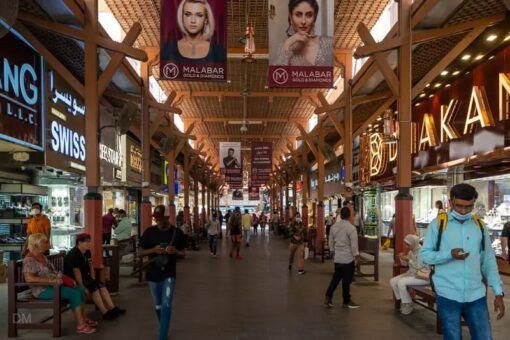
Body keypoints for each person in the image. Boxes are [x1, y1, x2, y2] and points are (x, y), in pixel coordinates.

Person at [421, 183, 505, 339]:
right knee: (453, 337)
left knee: (484, 337)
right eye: (459, 206)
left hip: (476, 295)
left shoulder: (479, 226)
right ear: (451, 201)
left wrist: (498, 293)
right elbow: (425, 255)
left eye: (469, 207)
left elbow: (488, 261)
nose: (463, 211)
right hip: (447, 294)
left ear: (473, 202)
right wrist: (448, 254)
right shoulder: (438, 225)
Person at [23, 233, 95, 334]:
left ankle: (83, 318)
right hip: (42, 290)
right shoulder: (29, 259)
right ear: (36, 244)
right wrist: (50, 280)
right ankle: (81, 325)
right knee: (74, 294)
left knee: (79, 289)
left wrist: (66, 279)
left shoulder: (43, 257)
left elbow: (53, 272)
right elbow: (29, 278)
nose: (47, 244)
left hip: (54, 286)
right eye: (44, 242)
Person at [139, 205, 186, 340]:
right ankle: (164, 326)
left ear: (167, 217)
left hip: (169, 274)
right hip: (152, 274)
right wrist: (153, 250)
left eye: (160, 219)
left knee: (166, 304)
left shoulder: (177, 233)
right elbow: (140, 253)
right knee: (158, 305)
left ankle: (162, 336)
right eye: (156, 219)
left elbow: (183, 253)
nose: (158, 221)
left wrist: (175, 251)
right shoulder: (149, 232)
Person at [64, 233, 125, 320]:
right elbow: (76, 273)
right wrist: (82, 287)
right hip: (73, 281)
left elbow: (90, 266)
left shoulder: (87, 252)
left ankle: (113, 308)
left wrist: (93, 279)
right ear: (79, 243)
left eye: (90, 242)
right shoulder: (74, 254)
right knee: (94, 287)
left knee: (100, 285)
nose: (89, 244)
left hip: (84, 278)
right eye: (87, 242)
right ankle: (104, 312)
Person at [161, 0, 225, 63]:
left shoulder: (218, 52)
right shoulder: (167, 49)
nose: (193, 20)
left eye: (199, 15)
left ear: (206, 19)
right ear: (182, 17)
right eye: (188, 14)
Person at [274, 0, 333, 66]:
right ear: (290, 17)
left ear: (314, 18)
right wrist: (288, 44)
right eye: (298, 15)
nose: (303, 21)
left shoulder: (329, 43)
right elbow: (278, 74)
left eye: (309, 15)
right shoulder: (284, 46)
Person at [324, 207, 360, 309]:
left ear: (340, 215)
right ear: (349, 216)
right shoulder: (351, 228)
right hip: (347, 258)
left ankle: (328, 295)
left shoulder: (334, 227)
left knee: (336, 279)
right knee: (346, 281)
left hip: (338, 258)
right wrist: (356, 256)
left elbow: (330, 241)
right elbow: (354, 245)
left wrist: (332, 251)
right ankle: (346, 301)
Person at [389, 234, 429, 315]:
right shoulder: (412, 251)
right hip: (412, 274)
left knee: (401, 282)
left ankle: (408, 303)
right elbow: (405, 265)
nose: (407, 246)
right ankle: (404, 302)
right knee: (393, 281)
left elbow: (419, 267)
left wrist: (409, 259)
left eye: (408, 244)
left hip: (422, 277)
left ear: (414, 243)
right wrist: (402, 258)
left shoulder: (422, 251)